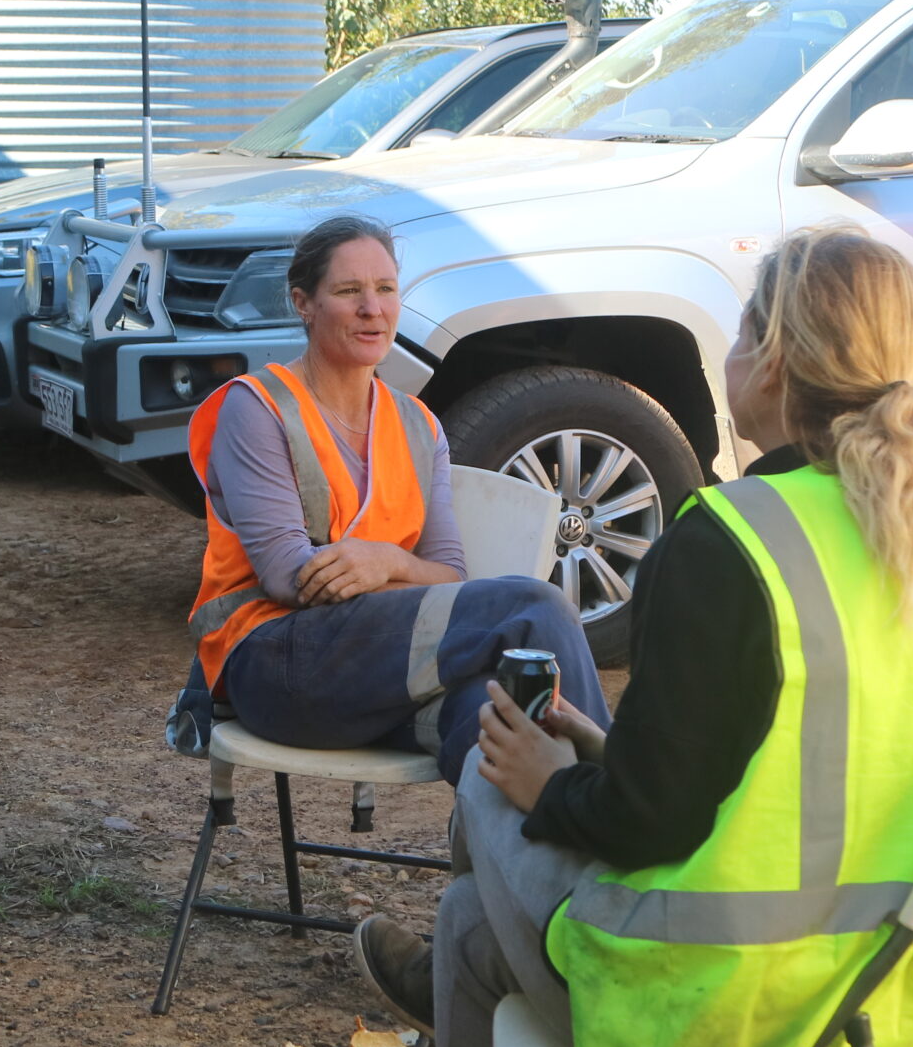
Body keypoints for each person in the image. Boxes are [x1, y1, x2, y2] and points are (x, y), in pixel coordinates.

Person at [353, 229, 913, 1047]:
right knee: (494, 872)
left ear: (777, 363)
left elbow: (648, 824)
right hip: (857, 1012)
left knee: (481, 802)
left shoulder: (732, 538)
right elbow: (796, 767)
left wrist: (545, 785)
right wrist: (596, 756)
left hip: (701, 1004)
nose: (731, 355)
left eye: (745, 330)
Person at [180, 217, 607, 810]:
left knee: (496, 724)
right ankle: (616, 804)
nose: (372, 310)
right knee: (534, 605)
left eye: (385, 289)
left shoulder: (419, 425)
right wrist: (402, 571)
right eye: (349, 291)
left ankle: (533, 882)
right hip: (277, 664)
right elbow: (286, 575)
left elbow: (450, 573)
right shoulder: (257, 408)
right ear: (304, 303)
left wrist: (385, 562)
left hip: (381, 675)